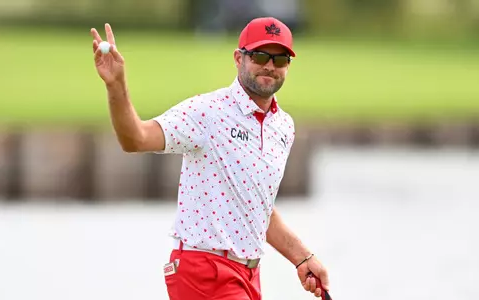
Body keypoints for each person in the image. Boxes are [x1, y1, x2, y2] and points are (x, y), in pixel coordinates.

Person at [90, 17, 330, 300]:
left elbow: (257, 208)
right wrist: (116, 85)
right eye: (260, 56)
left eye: (280, 59)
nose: (270, 66)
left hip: (249, 276)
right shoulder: (208, 112)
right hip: (203, 270)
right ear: (239, 58)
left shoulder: (283, 127)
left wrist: (302, 258)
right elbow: (136, 139)